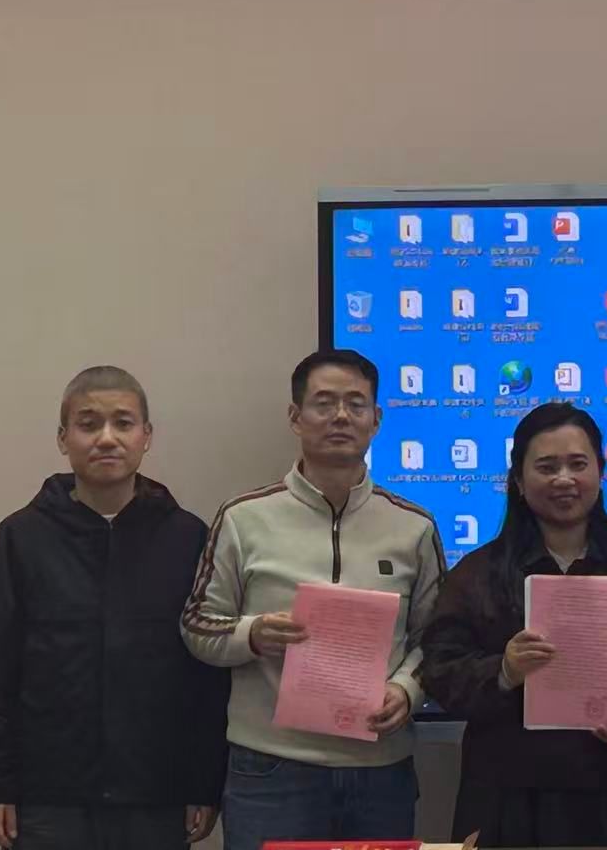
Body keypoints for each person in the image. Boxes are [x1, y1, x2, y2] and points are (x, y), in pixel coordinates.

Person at [181, 349, 445, 850]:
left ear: (376, 420)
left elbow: (437, 640)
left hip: (380, 771)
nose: (341, 416)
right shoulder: (243, 518)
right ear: (295, 417)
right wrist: (253, 635)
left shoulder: (414, 526)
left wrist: (408, 691)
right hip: (270, 769)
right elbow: (196, 626)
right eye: (324, 403)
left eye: (355, 404)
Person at [0, 366, 227, 850]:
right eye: (88, 424)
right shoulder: (22, 537)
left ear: (147, 436)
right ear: (64, 439)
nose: (106, 438)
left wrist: (203, 781)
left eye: (123, 423)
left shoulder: (187, 537)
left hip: (157, 794)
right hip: (47, 797)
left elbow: (206, 677)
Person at [421, 403, 607, 846]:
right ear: (518, 480)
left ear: (600, 472)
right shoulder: (477, 574)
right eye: (546, 467)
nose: (564, 479)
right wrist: (503, 671)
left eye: (578, 464)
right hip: (506, 798)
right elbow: (438, 670)